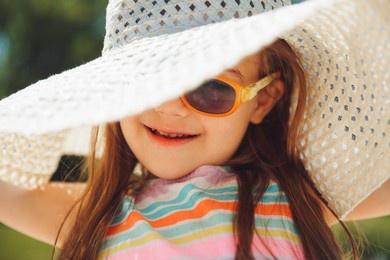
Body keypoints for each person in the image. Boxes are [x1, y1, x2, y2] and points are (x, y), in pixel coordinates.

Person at [0, 0, 389, 259]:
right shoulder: (102, 217)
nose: (169, 106)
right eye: (147, 80)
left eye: (211, 88)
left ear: (264, 100)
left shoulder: (287, 197)